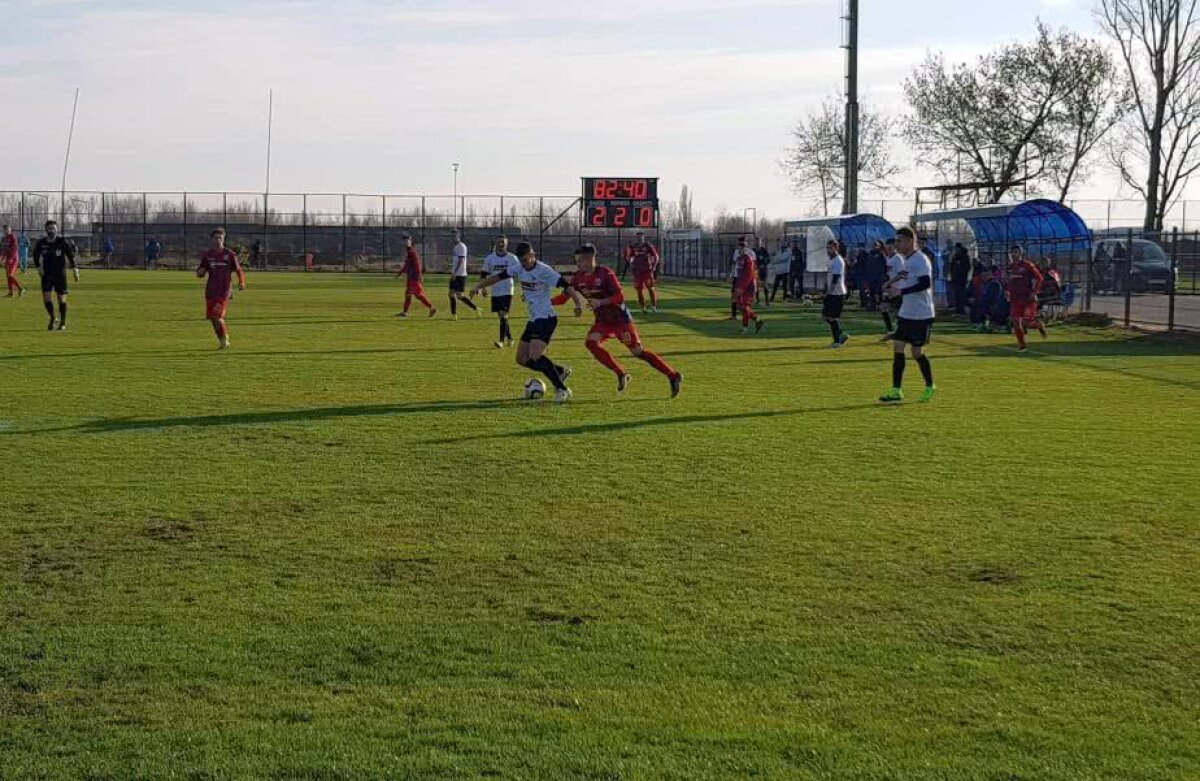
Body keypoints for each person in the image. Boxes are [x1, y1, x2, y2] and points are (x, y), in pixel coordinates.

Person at [471, 241, 586, 404]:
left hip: (546, 318)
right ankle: (560, 371)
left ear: (533, 256)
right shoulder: (519, 267)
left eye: (526, 260)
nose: (524, 265)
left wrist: (577, 304)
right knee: (522, 359)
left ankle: (562, 389)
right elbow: (498, 277)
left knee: (535, 356)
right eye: (521, 261)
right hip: (533, 319)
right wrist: (478, 286)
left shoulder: (544, 271)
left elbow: (567, 286)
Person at [565, 244, 682, 397]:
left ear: (590, 260)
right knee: (591, 343)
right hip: (603, 322)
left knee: (638, 352)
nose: (578, 264)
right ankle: (621, 374)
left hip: (620, 320)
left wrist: (600, 302)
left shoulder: (606, 273)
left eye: (580, 261)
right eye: (577, 261)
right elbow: (563, 295)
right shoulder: (578, 277)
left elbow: (620, 297)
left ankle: (673, 375)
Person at [879, 226, 936, 404]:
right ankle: (896, 390)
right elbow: (905, 274)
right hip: (907, 312)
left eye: (899, 241)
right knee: (898, 346)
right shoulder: (908, 259)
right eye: (896, 241)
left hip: (921, 313)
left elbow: (925, 284)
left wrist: (900, 293)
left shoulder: (920, 260)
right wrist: (890, 282)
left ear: (910, 241)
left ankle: (930, 385)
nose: (897, 244)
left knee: (916, 352)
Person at [196, 228, 246, 350]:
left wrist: (241, 282)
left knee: (216, 317)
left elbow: (239, 270)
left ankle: (225, 341)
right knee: (212, 319)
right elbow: (200, 272)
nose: (218, 240)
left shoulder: (230, 255)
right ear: (212, 239)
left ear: (224, 239)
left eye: (220, 238)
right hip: (210, 291)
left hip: (224, 291)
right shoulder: (208, 255)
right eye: (216, 238)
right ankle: (222, 339)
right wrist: (200, 272)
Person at [31, 220, 77, 331]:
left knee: (61, 300)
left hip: (60, 274)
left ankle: (63, 323)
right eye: (49, 228)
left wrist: (75, 270)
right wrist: (39, 267)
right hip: (46, 274)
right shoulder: (42, 243)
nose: (51, 230)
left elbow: (70, 256)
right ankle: (53, 317)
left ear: (57, 229)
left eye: (53, 228)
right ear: (46, 230)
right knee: (46, 298)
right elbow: (35, 255)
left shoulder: (62, 242)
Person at [1006, 245, 1046, 351]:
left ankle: (1038, 324)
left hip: (1027, 298)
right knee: (1015, 321)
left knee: (1026, 321)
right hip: (1015, 298)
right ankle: (1022, 345)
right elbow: (1008, 282)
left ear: (1021, 253)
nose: (1014, 254)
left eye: (1016, 252)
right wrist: (1007, 291)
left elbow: (1040, 279)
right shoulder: (1010, 267)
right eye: (1012, 252)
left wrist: (1034, 292)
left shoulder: (1027, 265)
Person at [482, 235, 518, 348]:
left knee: (503, 315)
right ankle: (510, 338)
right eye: (498, 242)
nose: (500, 244)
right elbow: (484, 274)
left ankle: (501, 341)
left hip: (507, 290)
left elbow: (521, 273)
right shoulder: (490, 258)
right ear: (496, 244)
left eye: (503, 242)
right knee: (501, 317)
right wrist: (483, 288)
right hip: (495, 291)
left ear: (506, 244)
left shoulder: (512, 258)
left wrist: (525, 289)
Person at [395, 234, 436, 317]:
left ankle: (431, 307)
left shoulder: (412, 251)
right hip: (410, 278)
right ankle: (405, 312)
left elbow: (417, 264)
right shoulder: (408, 251)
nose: (406, 242)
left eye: (408, 240)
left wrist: (420, 275)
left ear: (411, 241)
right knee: (408, 295)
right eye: (405, 240)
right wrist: (400, 272)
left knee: (418, 295)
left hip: (414, 278)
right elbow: (407, 265)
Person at [622, 231, 661, 313]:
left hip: (647, 271)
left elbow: (656, 257)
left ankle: (653, 306)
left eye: (641, 237)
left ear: (643, 237)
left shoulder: (648, 246)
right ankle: (643, 307)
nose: (640, 238)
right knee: (639, 290)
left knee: (650, 288)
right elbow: (629, 257)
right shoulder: (633, 247)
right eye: (638, 237)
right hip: (638, 272)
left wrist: (653, 267)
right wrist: (631, 265)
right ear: (636, 238)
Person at [732, 241, 765, 334]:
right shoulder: (740, 259)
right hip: (741, 284)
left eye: (740, 248)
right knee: (740, 306)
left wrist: (741, 288)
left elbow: (749, 275)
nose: (739, 250)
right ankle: (758, 320)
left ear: (745, 249)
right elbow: (739, 273)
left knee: (744, 306)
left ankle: (745, 328)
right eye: (738, 248)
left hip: (748, 286)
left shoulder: (748, 259)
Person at [447, 230, 480, 320]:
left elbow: (461, 261)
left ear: (458, 236)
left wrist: (455, 272)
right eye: (451, 236)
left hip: (460, 275)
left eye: (454, 235)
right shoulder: (455, 247)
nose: (453, 237)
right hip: (455, 274)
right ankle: (454, 315)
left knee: (459, 295)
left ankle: (476, 308)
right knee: (450, 294)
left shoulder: (461, 246)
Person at [823, 240, 849, 347]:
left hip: (837, 293)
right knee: (826, 316)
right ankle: (841, 334)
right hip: (831, 292)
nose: (828, 250)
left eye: (830, 248)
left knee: (832, 317)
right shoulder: (831, 260)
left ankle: (837, 341)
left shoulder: (838, 260)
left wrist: (828, 293)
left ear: (835, 248)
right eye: (827, 248)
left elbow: (835, 279)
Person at [879, 238, 904, 336]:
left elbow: (902, 274)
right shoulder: (888, 258)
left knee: (900, 311)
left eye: (891, 246)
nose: (889, 248)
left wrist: (889, 282)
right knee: (883, 307)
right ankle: (890, 329)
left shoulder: (898, 258)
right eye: (887, 246)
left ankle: (900, 330)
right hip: (889, 288)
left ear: (895, 247)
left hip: (898, 288)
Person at [727, 236, 754, 319]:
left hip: (746, 280)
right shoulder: (738, 252)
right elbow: (735, 264)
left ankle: (748, 317)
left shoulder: (751, 253)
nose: (738, 247)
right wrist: (731, 274)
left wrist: (754, 279)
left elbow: (753, 268)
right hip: (738, 278)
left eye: (740, 243)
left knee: (741, 301)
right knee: (737, 300)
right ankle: (738, 315)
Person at [950, 242, 971, 315]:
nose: (955, 250)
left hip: (962, 279)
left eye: (956, 248)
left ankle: (961, 309)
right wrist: (952, 276)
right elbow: (952, 267)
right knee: (956, 294)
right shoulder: (955, 256)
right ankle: (958, 309)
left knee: (961, 294)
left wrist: (961, 274)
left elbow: (967, 267)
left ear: (959, 248)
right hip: (956, 279)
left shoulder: (965, 257)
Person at [2, 224, 23, 298]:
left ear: (10, 230)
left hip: (14, 259)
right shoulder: (4, 238)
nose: (6, 230)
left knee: (10, 275)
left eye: (7, 229)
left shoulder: (13, 237)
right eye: (4, 229)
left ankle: (20, 288)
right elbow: (3, 250)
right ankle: (11, 293)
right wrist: (1, 257)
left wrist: (11, 258)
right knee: (8, 276)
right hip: (8, 260)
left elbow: (15, 249)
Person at [755, 241, 771, 306]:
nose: (757, 244)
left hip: (764, 270)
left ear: (761, 243)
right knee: (756, 286)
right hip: (756, 270)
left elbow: (768, 259)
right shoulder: (754, 251)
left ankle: (767, 301)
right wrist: (757, 266)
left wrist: (764, 264)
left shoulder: (764, 251)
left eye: (759, 243)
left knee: (765, 286)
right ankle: (758, 300)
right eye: (756, 243)